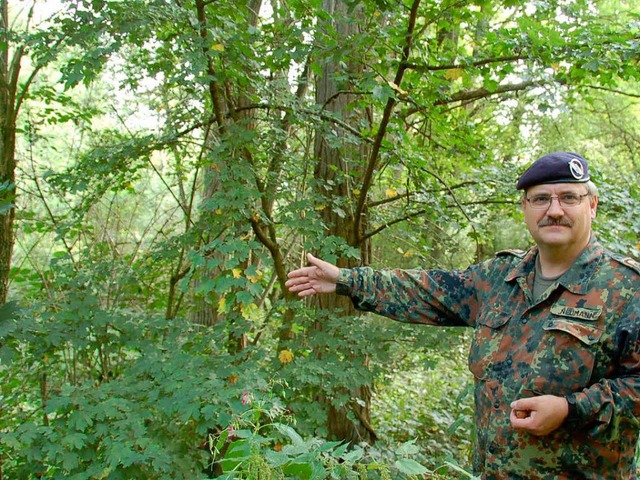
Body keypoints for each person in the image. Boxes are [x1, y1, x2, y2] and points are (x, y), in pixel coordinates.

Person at [285, 152, 640, 479]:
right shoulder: (500, 278)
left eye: (568, 197)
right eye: (541, 199)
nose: (554, 210)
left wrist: (570, 408)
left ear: (591, 205)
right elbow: (427, 289)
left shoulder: (627, 288)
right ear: (525, 207)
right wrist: (346, 280)